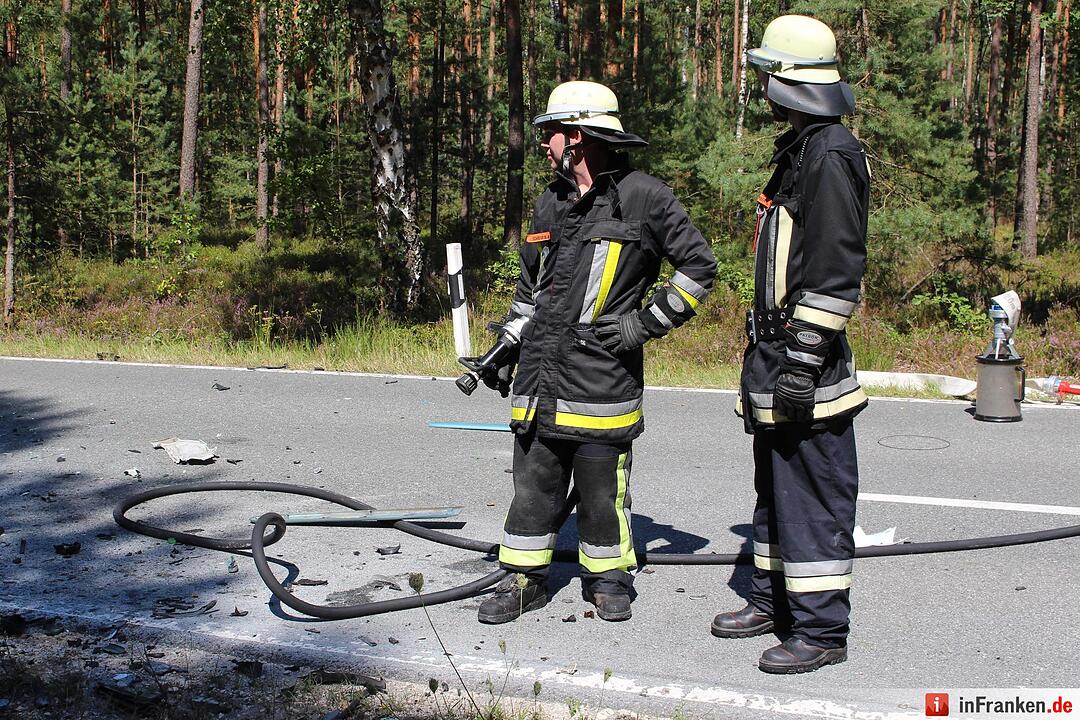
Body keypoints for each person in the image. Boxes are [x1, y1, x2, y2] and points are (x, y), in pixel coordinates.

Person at [464, 80, 716, 624]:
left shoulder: (646, 197)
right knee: (533, 486)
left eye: (551, 133)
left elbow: (699, 268)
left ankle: (609, 577)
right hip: (539, 379)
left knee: (603, 493)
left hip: (603, 380)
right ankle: (525, 579)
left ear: (576, 136)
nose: (545, 144)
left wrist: (643, 325)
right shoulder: (548, 202)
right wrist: (505, 346)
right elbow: (530, 292)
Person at [709, 15, 870, 673]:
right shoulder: (800, 147)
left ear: (793, 80)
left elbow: (836, 267)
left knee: (812, 495)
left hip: (804, 360)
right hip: (774, 358)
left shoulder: (830, 153)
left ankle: (822, 632)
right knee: (776, 490)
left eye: (768, 74)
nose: (762, 86)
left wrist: (802, 360)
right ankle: (774, 600)